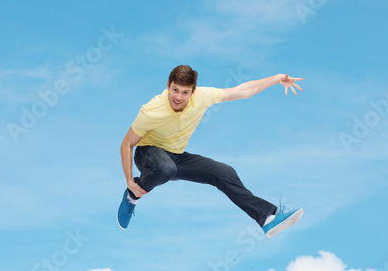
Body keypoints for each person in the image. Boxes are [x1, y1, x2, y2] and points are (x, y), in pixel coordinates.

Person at [118, 65, 304, 237]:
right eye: (174, 90)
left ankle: (266, 218)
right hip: (148, 154)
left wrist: (278, 78)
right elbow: (127, 144)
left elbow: (243, 91)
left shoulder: (203, 96)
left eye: (185, 92)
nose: (178, 97)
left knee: (224, 172)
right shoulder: (151, 110)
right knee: (166, 168)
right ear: (168, 85)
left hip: (176, 156)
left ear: (193, 91)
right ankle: (132, 195)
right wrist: (129, 182)